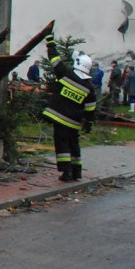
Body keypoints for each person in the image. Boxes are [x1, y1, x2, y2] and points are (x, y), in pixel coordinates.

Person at [42, 30, 97, 182]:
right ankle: (77, 172)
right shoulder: (88, 87)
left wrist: (50, 40)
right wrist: (89, 122)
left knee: (62, 146)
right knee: (74, 144)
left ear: (77, 64)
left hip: (60, 119)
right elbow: (91, 107)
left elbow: (54, 59)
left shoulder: (66, 75)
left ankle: (66, 173)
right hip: (74, 122)